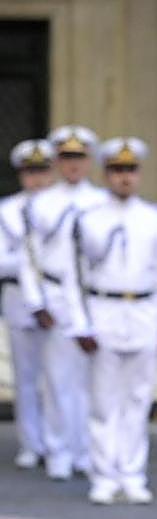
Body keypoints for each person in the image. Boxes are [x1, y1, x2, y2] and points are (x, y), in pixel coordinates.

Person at [66, 138, 157, 504]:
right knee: (103, 401)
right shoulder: (89, 219)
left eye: (130, 170)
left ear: (139, 174)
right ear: (106, 174)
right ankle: (104, 474)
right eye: (116, 171)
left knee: (137, 399)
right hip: (104, 310)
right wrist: (80, 324)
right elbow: (73, 276)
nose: (124, 178)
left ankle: (132, 473)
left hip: (143, 312)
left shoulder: (154, 218)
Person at [20, 125, 107, 480]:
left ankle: (87, 451)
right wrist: (36, 300)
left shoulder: (100, 202)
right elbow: (30, 257)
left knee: (92, 380)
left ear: (89, 162)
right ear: (56, 161)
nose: (72, 165)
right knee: (58, 379)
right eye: (66, 158)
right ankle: (58, 450)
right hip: (56, 294)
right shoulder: (41, 203)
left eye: (79, 158)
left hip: (94, 298)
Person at [0, 139, 54, 469]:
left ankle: (59, 440)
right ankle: (31, 442)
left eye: (42, 171)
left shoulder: (64, 208)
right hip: (19, 296)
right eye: (30, 172)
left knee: (59, 375)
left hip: (58, 296)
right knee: (27, 375)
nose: (36, 179)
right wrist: (29, 263)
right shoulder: (7, 210)